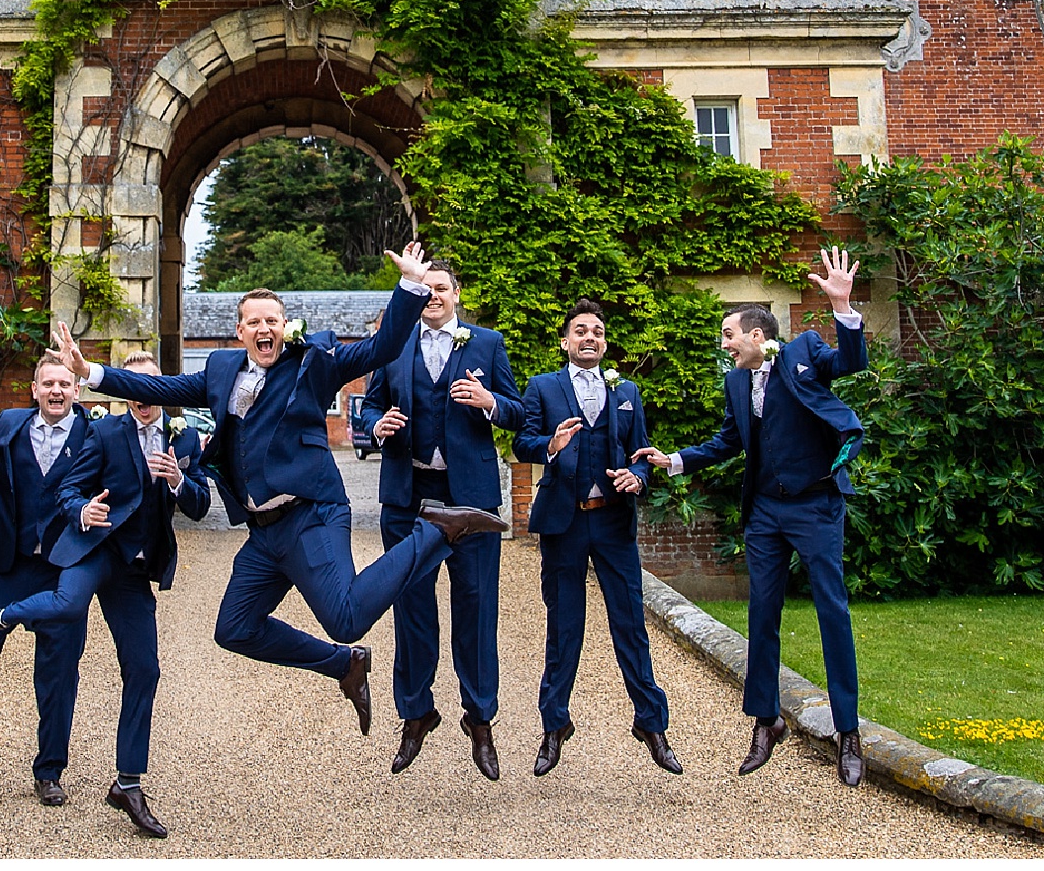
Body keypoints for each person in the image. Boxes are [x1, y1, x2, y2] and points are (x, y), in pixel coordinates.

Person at [53, 241, 504, 734]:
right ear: (240, 331)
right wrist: (90, 373)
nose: (265, 329)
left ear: (284, 327)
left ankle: (436, 530)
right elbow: (161, 389)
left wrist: (410, 286)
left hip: (311, 514)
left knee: (347, 618)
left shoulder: (313, 363)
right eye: (255, 322)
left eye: (273, 320)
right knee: (234, 628)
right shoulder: (222, 372)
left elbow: (382, 348)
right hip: (263, 532)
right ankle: (343, 664)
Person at [0, 352, 211, 838]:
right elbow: (69, 490)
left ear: (165, 389)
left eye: (152, 386)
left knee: (144, 668)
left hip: (134, 571)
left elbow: (200, 504)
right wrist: (81, 511)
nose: (143, 396)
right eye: (133, 387)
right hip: (94, 551)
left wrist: (178, 481)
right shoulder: (104, 432)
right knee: (67, 605)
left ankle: (128, 782)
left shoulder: (185, 436)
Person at [645, 246, 870, 786]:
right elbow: (729, 440)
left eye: (728, 335)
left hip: (815, 505)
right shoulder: (735, 382)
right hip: (766, 511)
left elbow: (850, 363)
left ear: (755, 334)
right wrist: (673, 460)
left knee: (831, 611)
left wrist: (843, 309)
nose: (724, 345)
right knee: (761, 614)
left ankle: (848, 733)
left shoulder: (805, 351)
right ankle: (765, 722)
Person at [358, 258, 523, 779]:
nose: (433, 296)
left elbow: (518, 412)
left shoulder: (486, 344)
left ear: (456, 293)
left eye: (441, 288)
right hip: (408, 498)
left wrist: (488, 400)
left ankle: (479, 720)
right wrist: (376, 424)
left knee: (476, 610)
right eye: (424, 289)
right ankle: (415, 714)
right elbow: (366, 409)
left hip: (470, 499)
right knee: (410, 608)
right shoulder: (393, 342)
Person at [513, 300, 678, 778]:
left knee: (630, 625)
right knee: (564, 628)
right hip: (564, 524)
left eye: (598, 332)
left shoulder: (626, 390)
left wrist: (639, 476)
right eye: (580, 330)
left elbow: (642, 453)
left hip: (612, 523)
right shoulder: (543, 387)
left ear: (605, 344)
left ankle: (651, 723)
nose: (590, 337)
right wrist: (549, 444)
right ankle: (554, 725)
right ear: (565, 342)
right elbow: (522, 441)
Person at [0, 354, 93, 804]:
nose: (57, 392)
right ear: (34, 389)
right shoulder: (9, 424)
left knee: (59, 676)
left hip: (61, 571)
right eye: (48, 384)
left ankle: (49, 770)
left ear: (77, 390)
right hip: (7, 560)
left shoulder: (94, 434)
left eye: (65, 384)